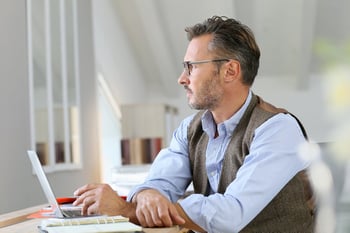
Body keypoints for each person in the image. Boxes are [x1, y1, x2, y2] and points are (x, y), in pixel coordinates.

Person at [73, 16, 315, 233]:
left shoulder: (278, 130)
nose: (182, 78)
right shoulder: (189, 129)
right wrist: (148, 195)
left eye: (192, 66)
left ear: (230, 71)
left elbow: (230, 215)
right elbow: (160, 182)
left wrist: (126, 209)